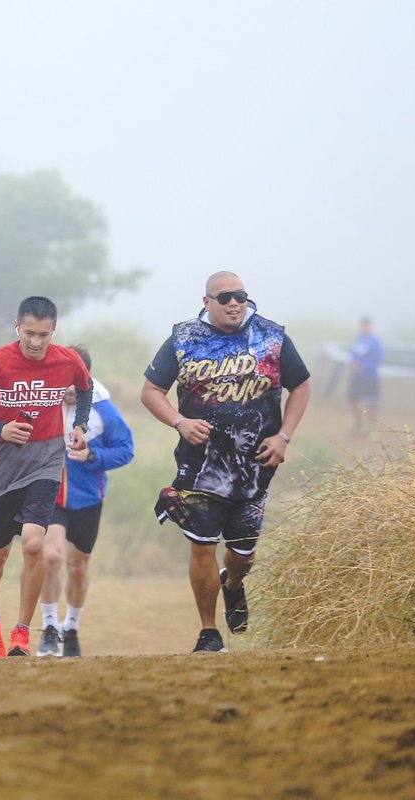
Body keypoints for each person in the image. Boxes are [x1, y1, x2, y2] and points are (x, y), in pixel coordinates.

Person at [141, 272, 310, 653]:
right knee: (202, 544)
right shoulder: (184, 338)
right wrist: (180, 422)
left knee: (243, 554)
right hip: (199, 465)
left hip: (255, 465)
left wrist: (283, 437)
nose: (234, 304)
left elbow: (300, 385)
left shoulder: (271, 337)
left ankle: (232, 584)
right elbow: (151, 391)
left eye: (240, 297)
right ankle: (208, 632)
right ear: (207, 302)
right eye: (224, 298)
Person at [0, 296, 92, 657]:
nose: (35, 342)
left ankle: (21, 631)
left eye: (43, 335)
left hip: (46, 461)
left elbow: (85, 389)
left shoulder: (68, 360)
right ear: (17, 326)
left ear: (54, 331)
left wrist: (80, 425)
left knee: (34, 544)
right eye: (29, 333)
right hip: (3, 466)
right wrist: (0, 428)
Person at [38, 345, 135, 658]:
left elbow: (126, 450)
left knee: (77, 566)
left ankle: (71, 627)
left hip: (88, 498)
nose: (67, 387)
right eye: (62, 376)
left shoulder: (104, 408)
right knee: (51, 556)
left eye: (74, 379)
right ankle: (49, 626)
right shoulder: (43, 399)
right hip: (49, 494)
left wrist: (94, 456)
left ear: (85, 377)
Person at [348, 316, 383, 431]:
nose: (365, 327)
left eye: (367, 325)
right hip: (358, 377)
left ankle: (372, 428)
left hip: (370, 377)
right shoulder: (359, 339)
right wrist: (354, 364)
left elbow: (378, 359)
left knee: (372, 403)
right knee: (352, 398)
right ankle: (360, 423)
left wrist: (363, 367)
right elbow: (354, 355)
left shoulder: (376, 342)